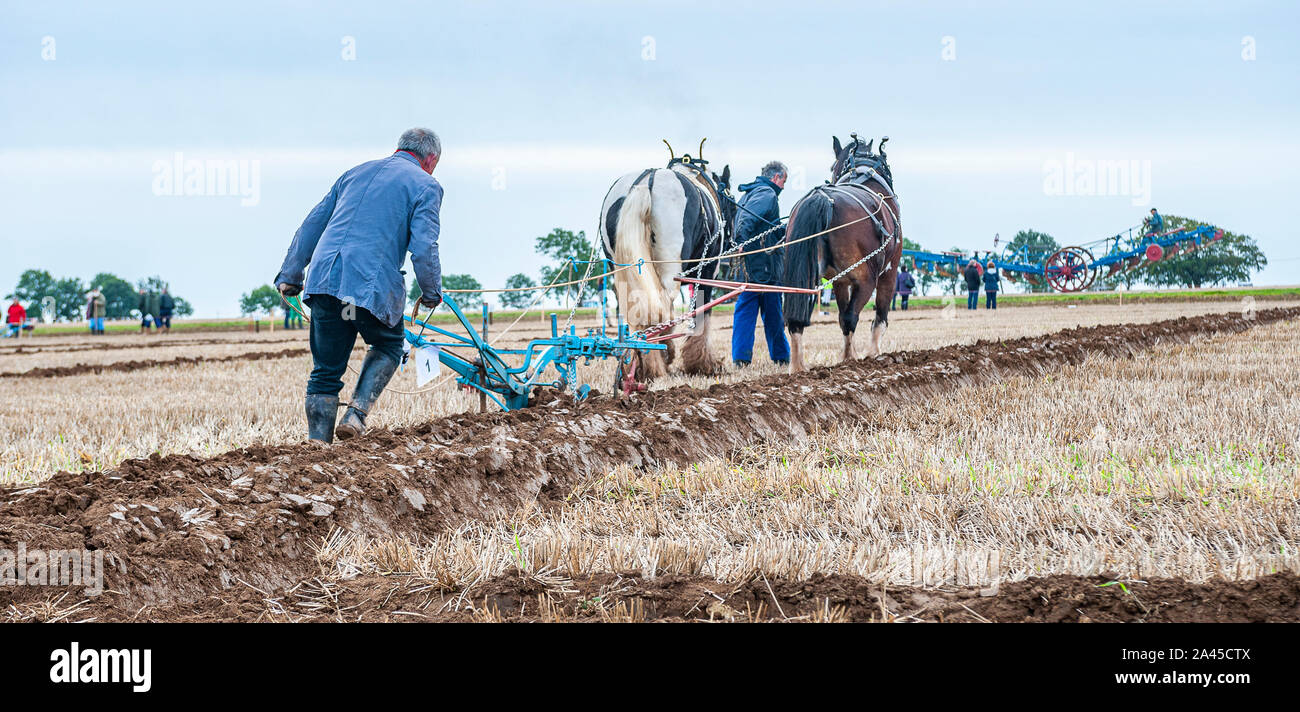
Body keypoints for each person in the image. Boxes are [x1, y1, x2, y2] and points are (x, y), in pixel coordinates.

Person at [275, 128, 444, 444]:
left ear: (399, 148)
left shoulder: (353, 174)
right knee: (389, 345)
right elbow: (424, 246)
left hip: (324, 284)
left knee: (325, 372)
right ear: (431, 159)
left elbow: (311, 225)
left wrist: (290, 275)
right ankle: (356, 414)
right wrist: (432, 291)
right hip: (367, 290)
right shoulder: (426, 185)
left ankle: (317, 448)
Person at [729, 161, 790, 367]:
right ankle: (780, 357)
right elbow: (746, 219)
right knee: (770, 311)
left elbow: (765, 228)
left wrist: (786, 230)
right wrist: (741, 242)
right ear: (776, 178)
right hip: (764, 266)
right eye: (784, 181)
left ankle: (742, 358)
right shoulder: (767, 194)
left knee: (751, 309)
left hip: (753, 264)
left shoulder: (750, 192)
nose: (783, 187)